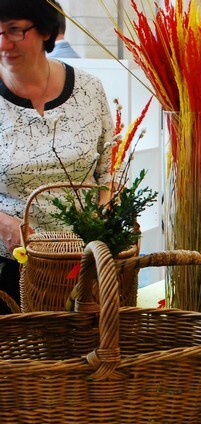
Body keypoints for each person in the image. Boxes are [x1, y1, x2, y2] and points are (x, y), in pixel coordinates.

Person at [0, 0, 113, 312]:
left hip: (84, 266)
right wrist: (4, 224)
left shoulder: (89, 90)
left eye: (14, 31)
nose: (3, 43)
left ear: (45, 30)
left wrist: (103, 222)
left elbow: (109, 171)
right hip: (9, 269)